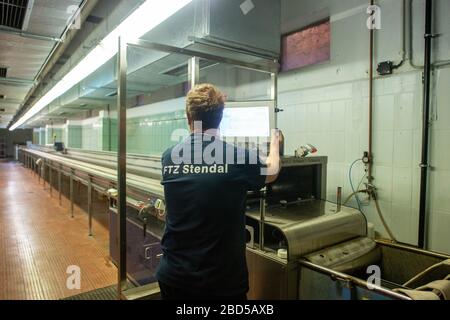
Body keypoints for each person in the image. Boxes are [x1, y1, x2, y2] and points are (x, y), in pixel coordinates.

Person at [155, 83, 282, 300]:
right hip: (219, 284)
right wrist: (275, 144)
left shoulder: (169, 156)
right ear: (220, 118)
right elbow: (272, 170)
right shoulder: (238, 157)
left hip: (173, 277)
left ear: (188, 118)